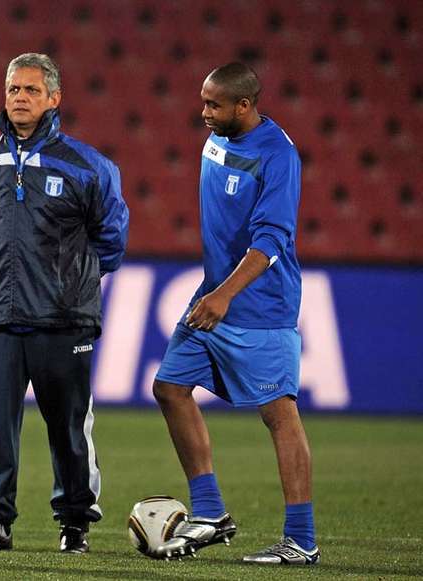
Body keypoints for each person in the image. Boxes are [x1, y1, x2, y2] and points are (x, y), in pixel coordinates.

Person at [0, 53, 129, 554]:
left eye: (31, 90)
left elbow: (112, 240)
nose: (20, 98)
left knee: (70, 428)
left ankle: (75, 524)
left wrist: (68, 282)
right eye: (13, 90)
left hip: (63, 320)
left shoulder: (89, 167)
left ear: (54, 98)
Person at [152, 62, 320, 565]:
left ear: (244, 106)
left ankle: (301, 540)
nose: (203, 113)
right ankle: (209, 513)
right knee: (170, 388)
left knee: (278, 414)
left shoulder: (278, 156)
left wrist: (224, 295)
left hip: (259, 307)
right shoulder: (218, 137)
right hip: (211, 296)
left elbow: (271, 239)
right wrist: (214, 292)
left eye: (213, 105)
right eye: (203, 101)